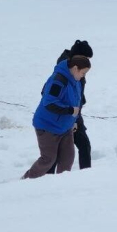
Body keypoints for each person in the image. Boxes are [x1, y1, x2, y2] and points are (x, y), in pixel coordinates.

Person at [23, 55, 91, 179]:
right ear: (75, 68)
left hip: (66, 127)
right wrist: (70, 111)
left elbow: (76, 102)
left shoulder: (76, 81)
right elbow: (49, 103)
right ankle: (26, 180)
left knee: (68, 158)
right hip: (47, 126)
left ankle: (60, 187)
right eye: (83, 72)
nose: (83, 76)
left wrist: (74, 120)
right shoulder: (58, 81)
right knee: (48, 159)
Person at [47, 40, 94, 173]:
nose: (88, 62)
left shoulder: (77, 67)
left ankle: (86, 175)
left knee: (84, 145)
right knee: (56, 153)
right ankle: (45, 181)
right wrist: (71, 115)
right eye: (86, 58)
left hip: (74, 113)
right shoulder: (65, 72)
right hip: (64, 115)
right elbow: (51, 97)